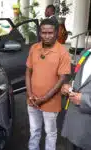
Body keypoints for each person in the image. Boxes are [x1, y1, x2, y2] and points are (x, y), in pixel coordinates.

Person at [25, 18, 71, 150]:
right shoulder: (34, 48)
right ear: (40, 32)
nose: (46, 36)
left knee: (50, 133)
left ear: (56, 32)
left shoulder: (62, 52)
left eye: (50, 32)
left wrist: (44, 99)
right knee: (34, 130)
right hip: (32, 100)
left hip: (50, 102)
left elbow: (62, 79)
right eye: (43, 32)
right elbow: (28, 71)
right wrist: (30, 94)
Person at [61, 49, 91, 150]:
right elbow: (78, 80)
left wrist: (84, 100)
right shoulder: (85, 53)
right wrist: (69, 86)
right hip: (74, 126)